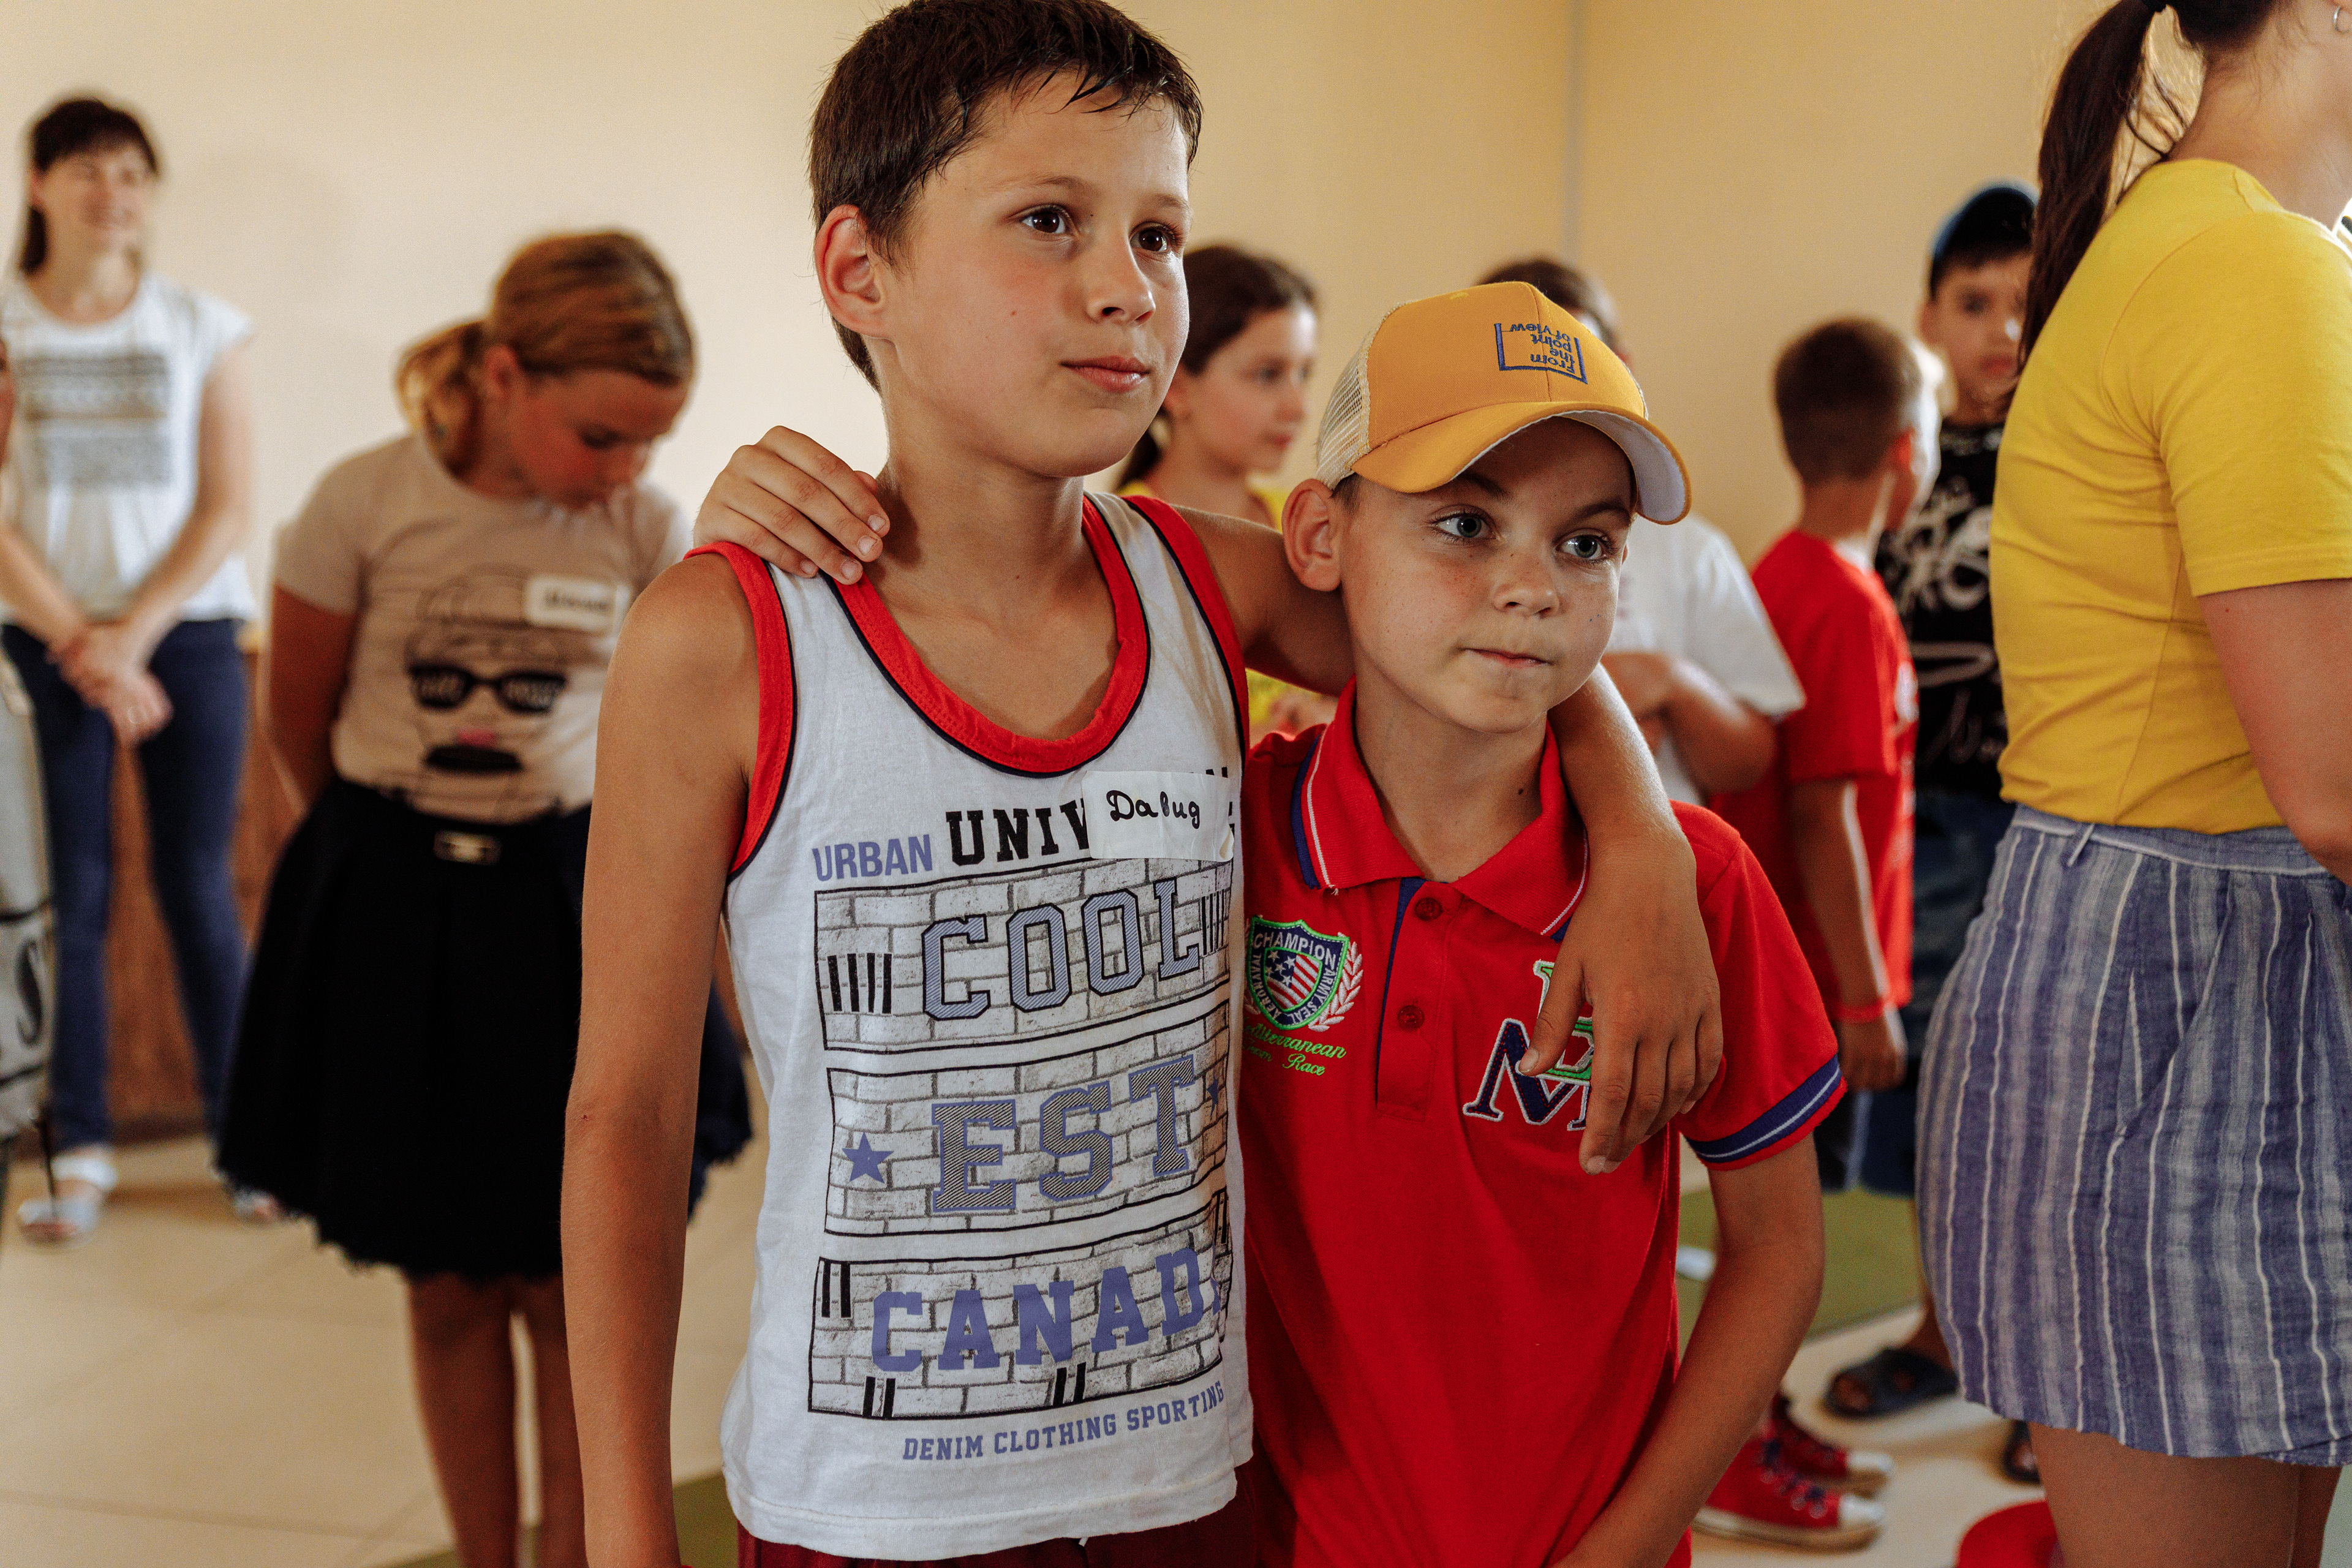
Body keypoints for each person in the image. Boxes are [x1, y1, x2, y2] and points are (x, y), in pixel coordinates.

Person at [563, 4, 1727, 1562]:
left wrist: (1639, 833)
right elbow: (627, 1117)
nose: (1126, 286)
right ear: (859, 271)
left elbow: (1502, 642)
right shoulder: (724, 639)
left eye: (1159, 234)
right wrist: (626, 1533)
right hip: (871, 1504)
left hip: (1191, 1484)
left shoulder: (1203, 582)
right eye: (1049, 219)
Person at [1242, 281, 1855, 1566]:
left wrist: (1625, 1547)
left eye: (1587, 544)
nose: (1532, 586)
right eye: (1466, 524)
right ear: (1322, 534)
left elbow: (1778, 1249)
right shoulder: (1234, 834)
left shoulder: (1696, 885)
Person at [216, 232, 748, 1568]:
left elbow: (669, 734)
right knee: (448, 1281)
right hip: (397, 911)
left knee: (571, 1278)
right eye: (601, 435)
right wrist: (397, 848)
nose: (625, 466)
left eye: (650, 440)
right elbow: (299, 720)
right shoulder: (365, 501)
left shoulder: (643, 526)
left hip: (567, 909)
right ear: (506, 376)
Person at [1920, 4, 2352, 1564]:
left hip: (2201, 965)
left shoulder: (2208, 244)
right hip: (2184, 988)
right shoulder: (2249, 264)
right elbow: (2335, 781)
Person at [0, 96, 257, 1245]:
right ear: (40, 184)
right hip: (45, 641)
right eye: (89, 170)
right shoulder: (8, 327)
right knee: (70, 901)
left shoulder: (201, 324)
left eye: (132, 174)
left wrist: (132, 640)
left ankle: (248, 1143)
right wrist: (85, 646)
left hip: (186, 636)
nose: (114, 193)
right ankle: (80, 1148)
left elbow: (227, 507)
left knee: (199, 887)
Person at [1703, 319, 1933, 1550]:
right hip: (1804, 979)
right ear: (1908, 451)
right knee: (1780, 1239)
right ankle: (1735, 1445)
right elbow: (1822, 807)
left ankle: (1762, 1414)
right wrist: (1865, 992)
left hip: (1791, 967)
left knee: (1775, 1230)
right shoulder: (1838, 600)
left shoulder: (1786, 575)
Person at [1828, 184, 2037, 1482]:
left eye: (2025, 303)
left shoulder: (2068, 442)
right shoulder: (1899, 456)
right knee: (1936, 1090)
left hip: (2040, 808)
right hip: (1914, 817)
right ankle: (1943, 1328)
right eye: (1975, 303)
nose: (2002, 328)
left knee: (2033, 1093)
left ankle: (2050, 1374)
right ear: (1929, 313)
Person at [1479, 257, 1801, 804]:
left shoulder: (1691, 552)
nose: (1552, 402)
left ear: (1622, 369)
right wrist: (1589, 715)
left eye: (1575, 367)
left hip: (1664, 835)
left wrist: (1670, 681)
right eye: (1521, 377)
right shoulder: (1440, 546)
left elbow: (1750, 758)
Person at [1116, 242, 1329, 739]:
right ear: (1177, 386)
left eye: (1304, 374)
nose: (1298, 407)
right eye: (1268, 375)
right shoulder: (1124, 539)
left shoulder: (1307, 523)